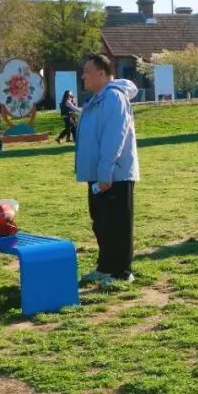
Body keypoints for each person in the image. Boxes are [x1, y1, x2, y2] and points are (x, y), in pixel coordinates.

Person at [75, 54, 141, 286]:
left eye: (87, 71)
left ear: (102, 73)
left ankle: (122, 272)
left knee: (117, 223)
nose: (83, 76)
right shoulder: (96, 100)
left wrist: (105, 173)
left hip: (115, 175)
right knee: (101, 222)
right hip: (98, 174)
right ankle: (105, 267)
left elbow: (114, 137)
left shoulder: (114, 97)